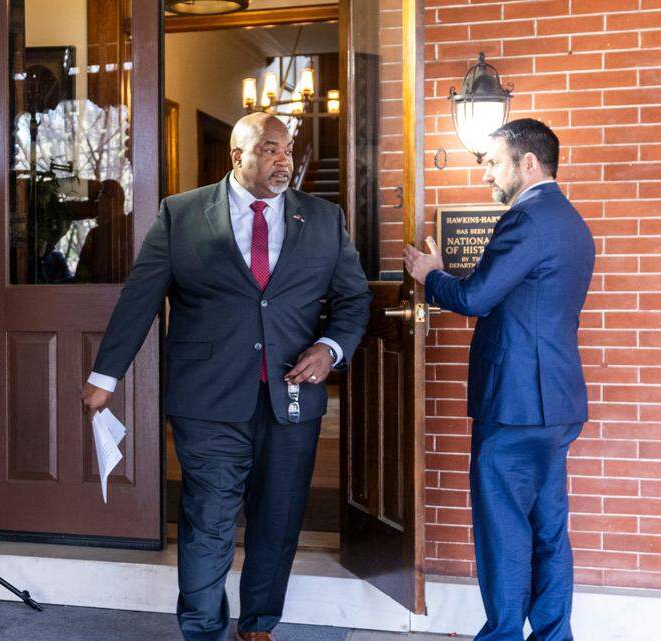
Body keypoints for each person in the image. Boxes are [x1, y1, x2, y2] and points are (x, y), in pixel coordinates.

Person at [82, 112, 372, 641]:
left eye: (287, 149)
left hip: (291, 399)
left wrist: (330, 349)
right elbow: (139, 299)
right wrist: (107, 374)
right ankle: (203, 630)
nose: (283, 159)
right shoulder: (182, 214)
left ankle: (258, 625)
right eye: (269, 149)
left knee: (277, 520)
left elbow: (354, 299)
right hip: (207, 399)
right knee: (208, 519)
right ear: (236, 156)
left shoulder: (324, 219)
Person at [404, 118, 594, 641]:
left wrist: (430, 275)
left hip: (515, 407)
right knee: (547, 530)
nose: (486, 172)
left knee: (504, 533)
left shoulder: (526, 219)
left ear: (526, 162)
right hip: (555, 405)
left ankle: (504, 636)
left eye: (493, 161)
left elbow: (475, 298)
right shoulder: (571, 221)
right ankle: (553, 636)